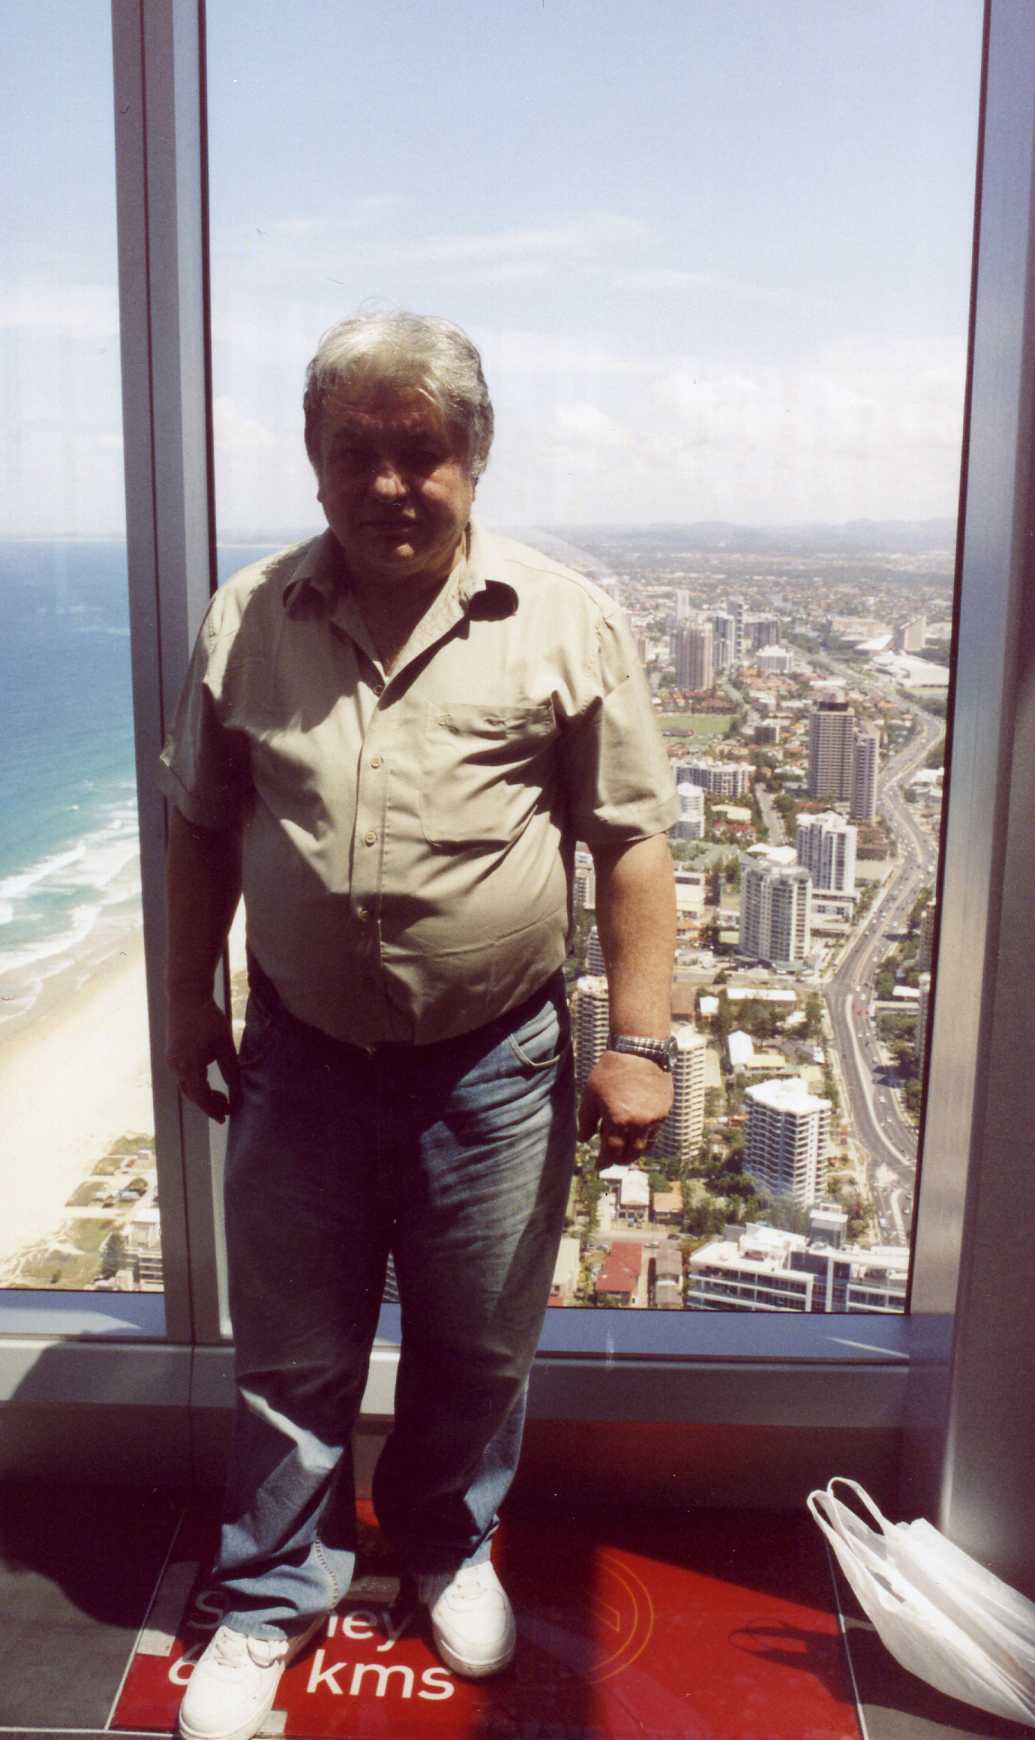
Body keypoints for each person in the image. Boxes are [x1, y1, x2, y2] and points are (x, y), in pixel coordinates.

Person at [161, 311, 678, 1740]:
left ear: (474, 460)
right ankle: (269, 1597)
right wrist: (185, 996)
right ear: (313, 460)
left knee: (477, 1348)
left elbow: (631, 840)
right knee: (291, 1355)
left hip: (496, 1063)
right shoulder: (249, 617)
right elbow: (200, 824)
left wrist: (642, 1043)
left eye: (420, 453)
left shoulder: (563, 619)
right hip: (301, 1057)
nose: (387, 484)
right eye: (356, 453)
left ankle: (449, 1548)